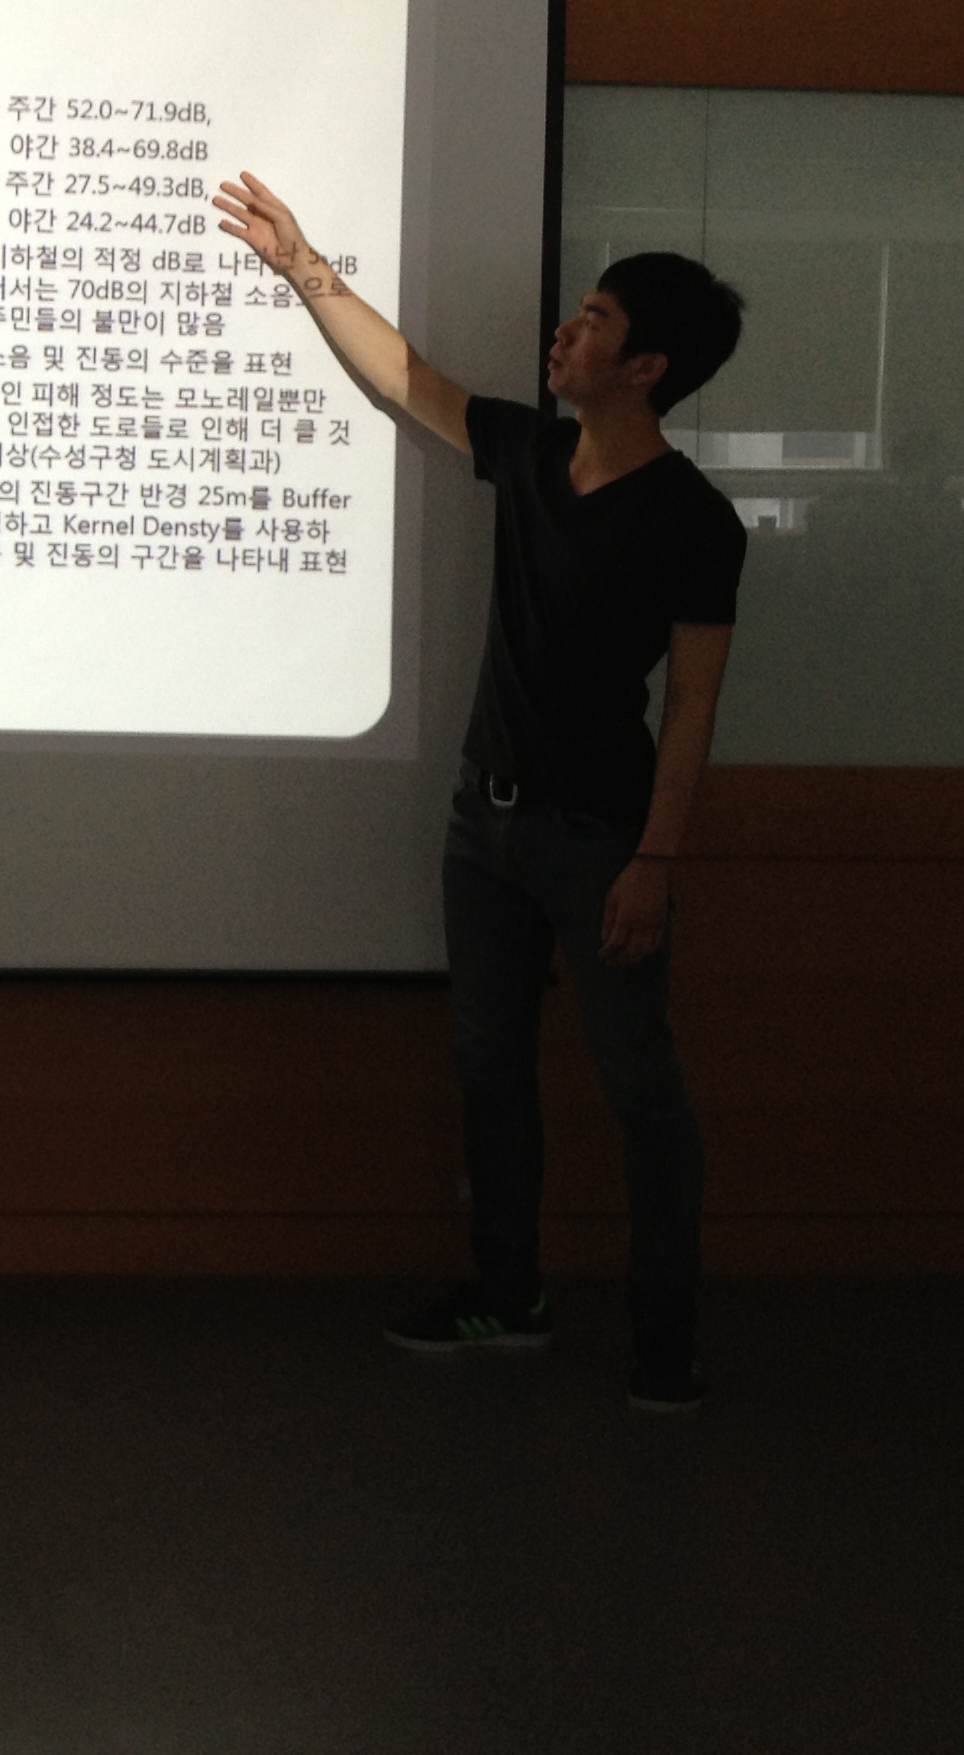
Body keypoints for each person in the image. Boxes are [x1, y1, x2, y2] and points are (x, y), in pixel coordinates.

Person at [213, 175, 747, 1413]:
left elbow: (695, 705)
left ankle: (667, 1330)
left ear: (648, 367)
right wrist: (304, 269)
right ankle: (508, 1293)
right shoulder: (533, 452)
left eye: (595, 321)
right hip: (484, 824)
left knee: (639, 1085)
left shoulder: (696, 522)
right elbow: (411, 380)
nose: (566, 331)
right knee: (488, 1065)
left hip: (603, 841)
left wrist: (656, 862)